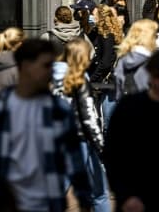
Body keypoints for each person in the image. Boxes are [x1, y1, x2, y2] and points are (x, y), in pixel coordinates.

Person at [0, 39, 92, 212]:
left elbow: (75, 162)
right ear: (26, 65)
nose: (51, 72)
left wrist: (84, 200)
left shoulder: (59, 110)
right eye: (46, 65)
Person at [105, 50, 159, 212]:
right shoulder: (128, 108)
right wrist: (125, 195)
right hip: (133, 200)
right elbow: (113, 154)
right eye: (158, 76)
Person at [61, 39, 109, 212]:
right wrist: (102, 148)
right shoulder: (79, 80)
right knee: (100, 192)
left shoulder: (49, 77)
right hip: (79, 140)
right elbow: (89, 117)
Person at [114, 19, 158, 99]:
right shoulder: (152, 62)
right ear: (149, 36)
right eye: (155, 35)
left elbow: (119, 88)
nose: (156, 38)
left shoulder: (123, 59)